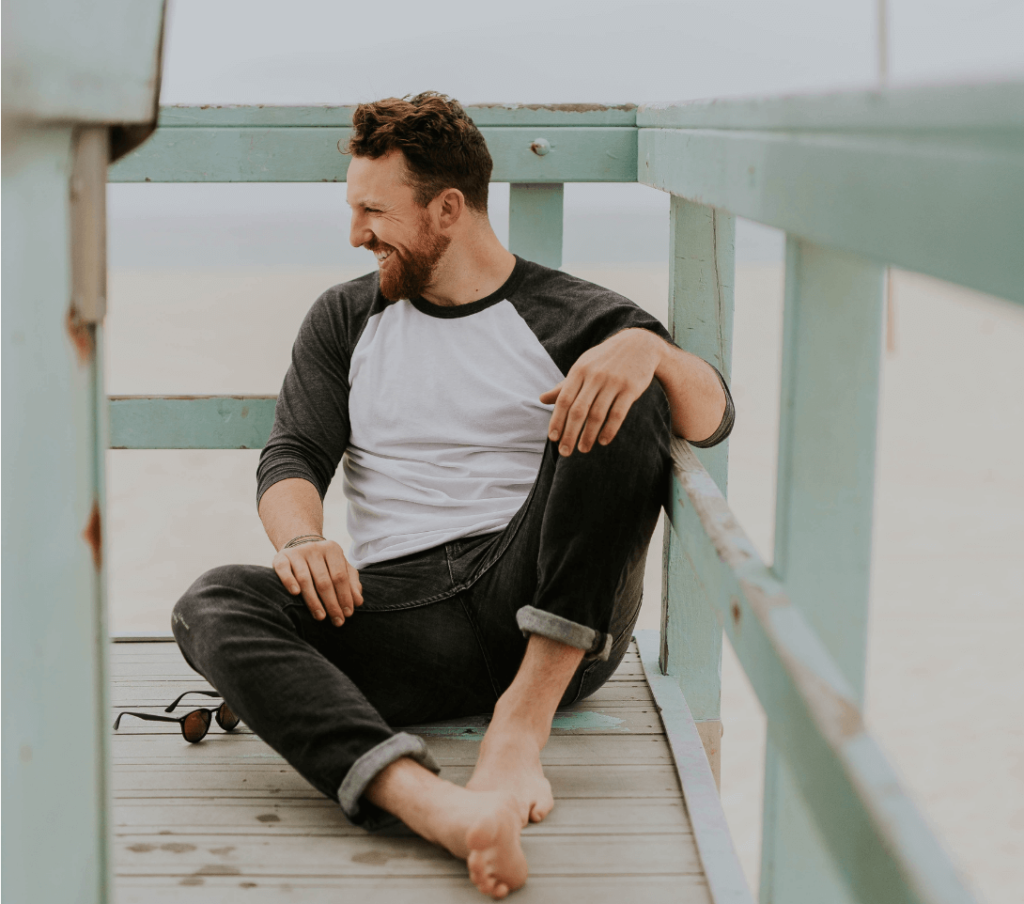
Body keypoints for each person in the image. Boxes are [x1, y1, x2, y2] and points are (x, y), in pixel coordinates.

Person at [171, 91, 734, 899]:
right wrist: (301, 542)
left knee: (631, 385)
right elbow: (292, 453)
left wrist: (646, 348)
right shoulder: (344, 318)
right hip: (403, 613)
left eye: (373, 210)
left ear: (446, 209)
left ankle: (519, 728)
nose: (356, 232)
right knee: (212, 602)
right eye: (351, 208)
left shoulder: (574, 315)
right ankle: (433, 805)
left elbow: (710, 419)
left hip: (547, 598)